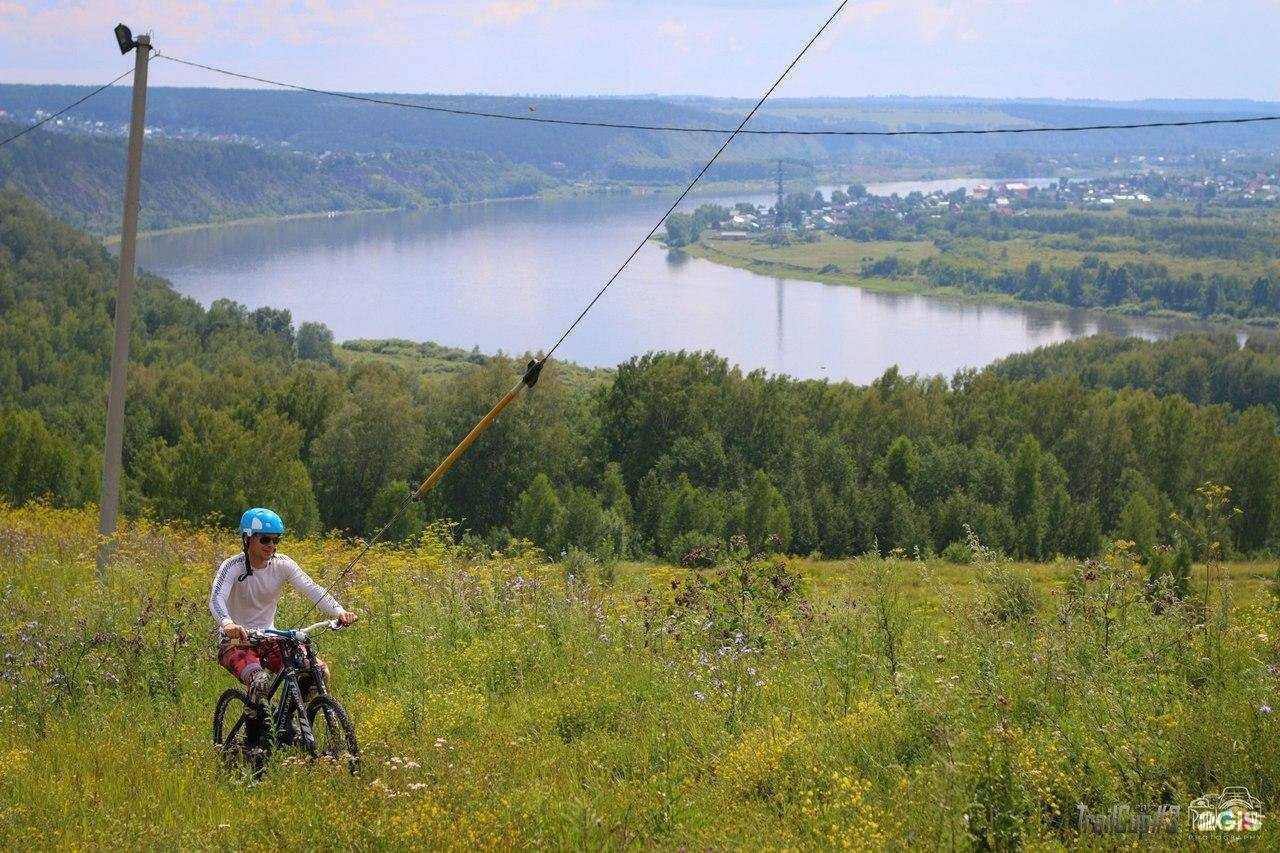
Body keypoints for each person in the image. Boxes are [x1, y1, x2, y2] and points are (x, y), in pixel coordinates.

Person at [209, 507, 356, 704]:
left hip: (270, 637)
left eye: (276, 540)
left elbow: (312, 588)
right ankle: (253, 735)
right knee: (260, 683)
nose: (271, 545)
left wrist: (339, 611)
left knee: (317, 672)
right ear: (247, 538)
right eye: (265, 539)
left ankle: (294, 726)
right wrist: (228, 624)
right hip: (236, 642)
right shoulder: (232, 567)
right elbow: (216, 598)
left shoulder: (283, 564)